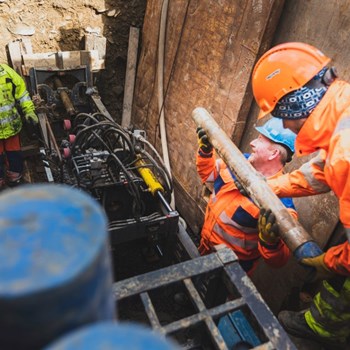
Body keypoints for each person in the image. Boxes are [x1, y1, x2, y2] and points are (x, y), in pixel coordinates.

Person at [252, 42, 350, 348]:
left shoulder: (345, 154)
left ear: (294, 106)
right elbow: (321, 171)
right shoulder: (342, 120)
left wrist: (328, 261)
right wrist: (272, 187)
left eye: (280, 116)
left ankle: (325, 331)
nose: (284, 125)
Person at [196, 117, 297, 276]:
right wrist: (205, 153)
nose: (252, 143)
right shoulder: (236, 160)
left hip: (230, 272)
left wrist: (270, 242)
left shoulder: (281, 203)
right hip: (204, 246)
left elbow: (280, 261)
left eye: (260, 140)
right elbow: (208, 177)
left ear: (274, 153)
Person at [0, 63, 38, 187]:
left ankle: (15, 178)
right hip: (12, 126)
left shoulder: (6, 73)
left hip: (11, 126)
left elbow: (22, 95)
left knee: (14, 154)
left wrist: (29, 111)